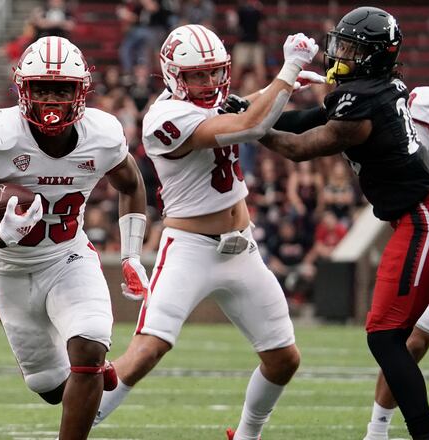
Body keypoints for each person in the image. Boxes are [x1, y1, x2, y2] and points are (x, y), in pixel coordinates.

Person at [93, 24, 320, 440]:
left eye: (215, 72)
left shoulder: (203, 103)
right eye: (198, 75)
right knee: (145, 352)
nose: (210, 82)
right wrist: (287, 73)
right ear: (172, 75)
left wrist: (277, 85)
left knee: (284, 359)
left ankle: (247, 436)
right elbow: (247, 125)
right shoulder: (165, 117)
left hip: (242, 248)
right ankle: (77, 426)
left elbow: (234, 108)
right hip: (190, 249)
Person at [0, 35, 149, 440]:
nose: (51, 98)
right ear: (24, 89)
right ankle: (87, 377)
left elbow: (132, 184)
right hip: (11, 268)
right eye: (41, 87)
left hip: (67, 257)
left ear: (81, 91)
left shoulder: (103, 135)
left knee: (89, 347)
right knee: (50, 388)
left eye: (62, 88)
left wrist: (131, 255)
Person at [259, 7, 429, 440]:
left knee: (385, 335)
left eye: (352, 48)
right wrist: (254, 112)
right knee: (399, 337)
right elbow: (311, 118)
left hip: (422, 218)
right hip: (421, 214)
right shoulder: (380, 87)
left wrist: (247, 128)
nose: (341, 54)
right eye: (341, 44)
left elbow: (300, 147)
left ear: (376, 55)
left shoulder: (365, 103)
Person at [363, 39, 429, 440]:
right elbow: (416, 169)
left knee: (393, 337)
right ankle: (377, 430)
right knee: (407, 341)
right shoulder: (427, 101)